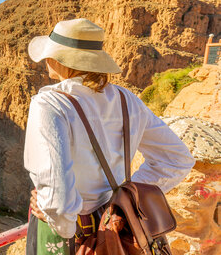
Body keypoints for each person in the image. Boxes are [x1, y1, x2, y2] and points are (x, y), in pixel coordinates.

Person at [23, 18, 195, 255]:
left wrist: (61, 222)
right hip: (118, 225)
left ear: (58, 59)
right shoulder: (127, 100)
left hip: (70, 234)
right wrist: (126, 199)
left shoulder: (51, 104)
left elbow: (58, 202)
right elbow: (177, 159)